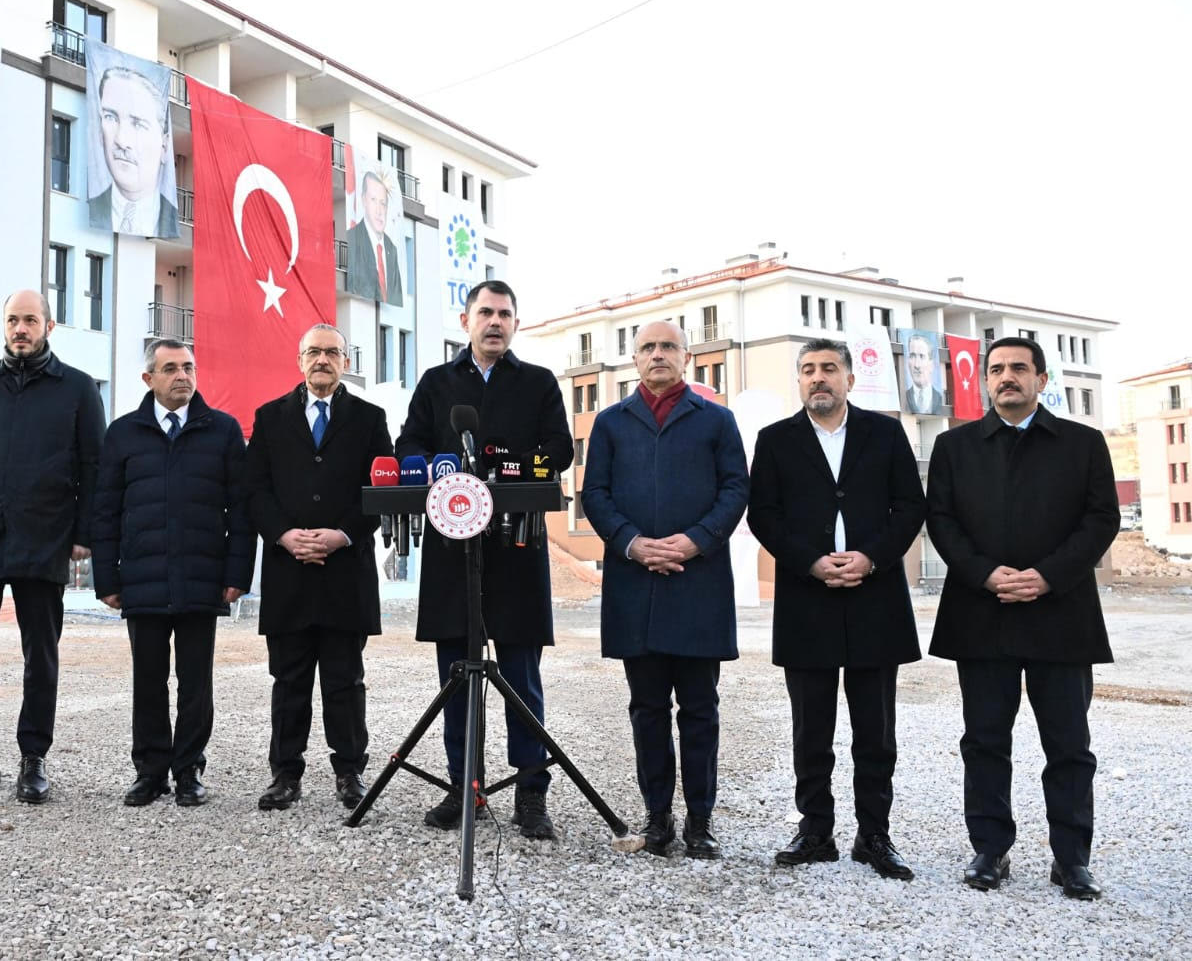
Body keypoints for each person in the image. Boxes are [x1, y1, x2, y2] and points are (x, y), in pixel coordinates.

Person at [927, 336, 1119, 900]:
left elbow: (1101, 518)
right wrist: (984, 573)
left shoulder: (1083, 443)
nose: (1006, 377)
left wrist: (1048, 576)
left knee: (1069, 744)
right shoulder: (954, 446)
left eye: (1018, 368)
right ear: (985, 381)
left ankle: (1072, 859)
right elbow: (941, 520)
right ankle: (990, 849)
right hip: (981, 612)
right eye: (996, 369)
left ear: (1041, 378)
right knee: (985, 740)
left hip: (1061, 614)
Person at [395, 280, 572, 839]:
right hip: (453, 553)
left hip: (518, 549)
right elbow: (409, 447)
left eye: (505, 314)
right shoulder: (437, 383)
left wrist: (509, 467)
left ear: (516, 324)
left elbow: (560, 450)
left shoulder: (539, 383)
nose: (495, 322)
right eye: (486, 313)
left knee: (521, 677)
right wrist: (446, 474)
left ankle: (530, 794)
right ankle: (463, 787)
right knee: (456, 678)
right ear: (466, 319)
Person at [746, 339, 926, 879]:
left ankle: (874, 835)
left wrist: (870, 558)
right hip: (807, 598)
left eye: (829, 369)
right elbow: (764, 515)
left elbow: (910, 506)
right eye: (808, 371)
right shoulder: (776, 440)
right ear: (798, 381)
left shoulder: (885, 433)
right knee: (811, 728)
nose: (818, 378)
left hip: (875, 597)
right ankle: (815, 831)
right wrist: (810, 562)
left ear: (848, 378)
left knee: (876, 731)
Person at [581, 320, 747, 859]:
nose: (658, 355)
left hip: (697, 584)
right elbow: (595, 494)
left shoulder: (717, 421)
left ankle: (701, 822)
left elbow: (735, 489)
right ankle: (658, 818)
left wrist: (696, 541)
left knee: (700, 709)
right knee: (647, 708)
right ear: (635, 360)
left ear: (688, 356)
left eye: (668, 346)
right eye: (648, 347)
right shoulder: (609, 423)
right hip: (635, 584)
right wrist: (631, 543)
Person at [0, 290, 106, 803]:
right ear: (3, 326)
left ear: (49, 326)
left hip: (44, 537)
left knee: (40, 656)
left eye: (31, 319)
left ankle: (34, 760)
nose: (21, 328)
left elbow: (92, 468)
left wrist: (84, 535)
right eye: (13, 320)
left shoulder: (76, 388)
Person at [91, 339, 256, 808]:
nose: (182, 376)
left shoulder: (222, 431)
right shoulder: (123, 434)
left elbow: (240, 512)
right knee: (148, 680)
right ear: (149, 379)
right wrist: (107, 578)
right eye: (170, 369)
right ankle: (149, 772)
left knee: (195, 681)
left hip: (203, 578)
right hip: (141, 580)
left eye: (188, 367)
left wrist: (237, 573)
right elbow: (105, 511)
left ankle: (188, 772)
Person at [245, 325, 393, 811]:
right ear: (299, 360)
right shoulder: (270, 418)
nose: (322, 359)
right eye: (314, 352)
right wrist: (285, 536)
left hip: (344, 570)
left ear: (345, 361)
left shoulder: (370, 419)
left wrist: (343, 533)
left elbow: (380, 490)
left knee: (344, 680)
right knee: (288, 681)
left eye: (332, 352)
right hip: (288, 572)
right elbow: (256, 490)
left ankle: (350, 773)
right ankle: (285, 775)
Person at [88, 65, 179, 239]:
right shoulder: (90, 207)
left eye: (138, 124)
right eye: (111, 118)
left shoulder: (170, 217)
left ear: (164, 146)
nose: (122, 140)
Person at [344, 170, 403, 306]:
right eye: (373, 200)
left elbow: (396, 296)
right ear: (364, 200)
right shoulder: (353, 238)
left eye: (383, 203)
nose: (379, 210)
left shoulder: (391, 249)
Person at [904, 333, 948, 416]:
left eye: (922, 356)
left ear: (931, 364)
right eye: (912, 356)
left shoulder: (939, 398)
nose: (916, 365)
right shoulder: (904, 397)